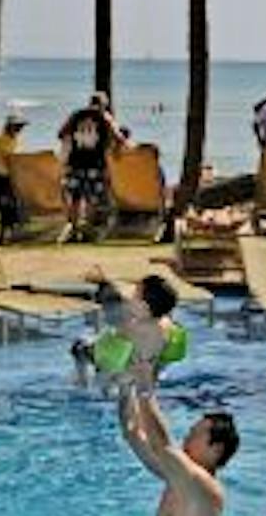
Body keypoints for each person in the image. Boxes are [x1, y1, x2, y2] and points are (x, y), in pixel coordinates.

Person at [117, 388, 236, 516]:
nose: (186, 440)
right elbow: (132, 433)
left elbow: (162, 445)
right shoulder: (179, 480)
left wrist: (144, 388)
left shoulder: (205, 486)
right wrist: (126, 388)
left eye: (194, 435)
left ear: (216, 449)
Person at [72, 270, 185, 394]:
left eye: (135, 295)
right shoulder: (170, 326)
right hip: (152, 365)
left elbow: (107, 354)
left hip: (119, 369)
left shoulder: (131, 327)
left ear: (145, 306)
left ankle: (84, 386)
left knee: (79, 348)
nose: (130, 299)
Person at [58, 92, 126, 242]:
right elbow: (119, 137)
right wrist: (114, 149)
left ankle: (74, 229)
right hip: (95, 164)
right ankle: (87, 231)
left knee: (75, 198)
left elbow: (61, 133)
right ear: (103, 104)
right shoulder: (104, 117)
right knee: (92, 198)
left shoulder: (76, 115)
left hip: (75, 162)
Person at [0, 113, 27, 234]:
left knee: (15, 203)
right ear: (10, 127)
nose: (19, 130)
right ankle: (6, 229)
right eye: (17, 127)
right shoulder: (1, 140)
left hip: (14, 176)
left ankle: (12, 228)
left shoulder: (16, 140)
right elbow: (8, 156)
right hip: (3, 176)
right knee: (6, 203)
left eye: (20, 127)